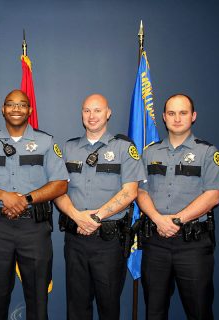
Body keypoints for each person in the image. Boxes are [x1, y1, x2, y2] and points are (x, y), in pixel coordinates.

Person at [0, 89, 68, 320]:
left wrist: (25, 199)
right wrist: (4, 195)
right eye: (11, 105)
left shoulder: (45, 141)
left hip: (34, 228)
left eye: (22, 105)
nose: (16, 109)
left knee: (37, 296)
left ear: (30, 110)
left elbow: (60, 184)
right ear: (2, 109)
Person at [137, 94, 219, 320]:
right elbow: (140, 191)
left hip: (193, 244)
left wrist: (176, 220)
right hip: (156, 242)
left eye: (183, 113)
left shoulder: (208, 152)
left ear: (193, 116)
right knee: (154, 311)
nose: (177, 118)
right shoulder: (150, 152)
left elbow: (213, 196)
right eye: (171, 113)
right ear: (164, 118)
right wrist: (159, 220)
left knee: (199, 310)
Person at [54, 94, 146, 320]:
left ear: (108, 113)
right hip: (75, 239)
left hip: (109, 242)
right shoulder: (68, 148)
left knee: (109, 306)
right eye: (87, 110)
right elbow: (57, 191)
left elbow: (130, 192)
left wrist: (94, 218)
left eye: (97, 110)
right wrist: (77, 216)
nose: (92, 115)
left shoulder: (124, 148)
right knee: (76, 306)